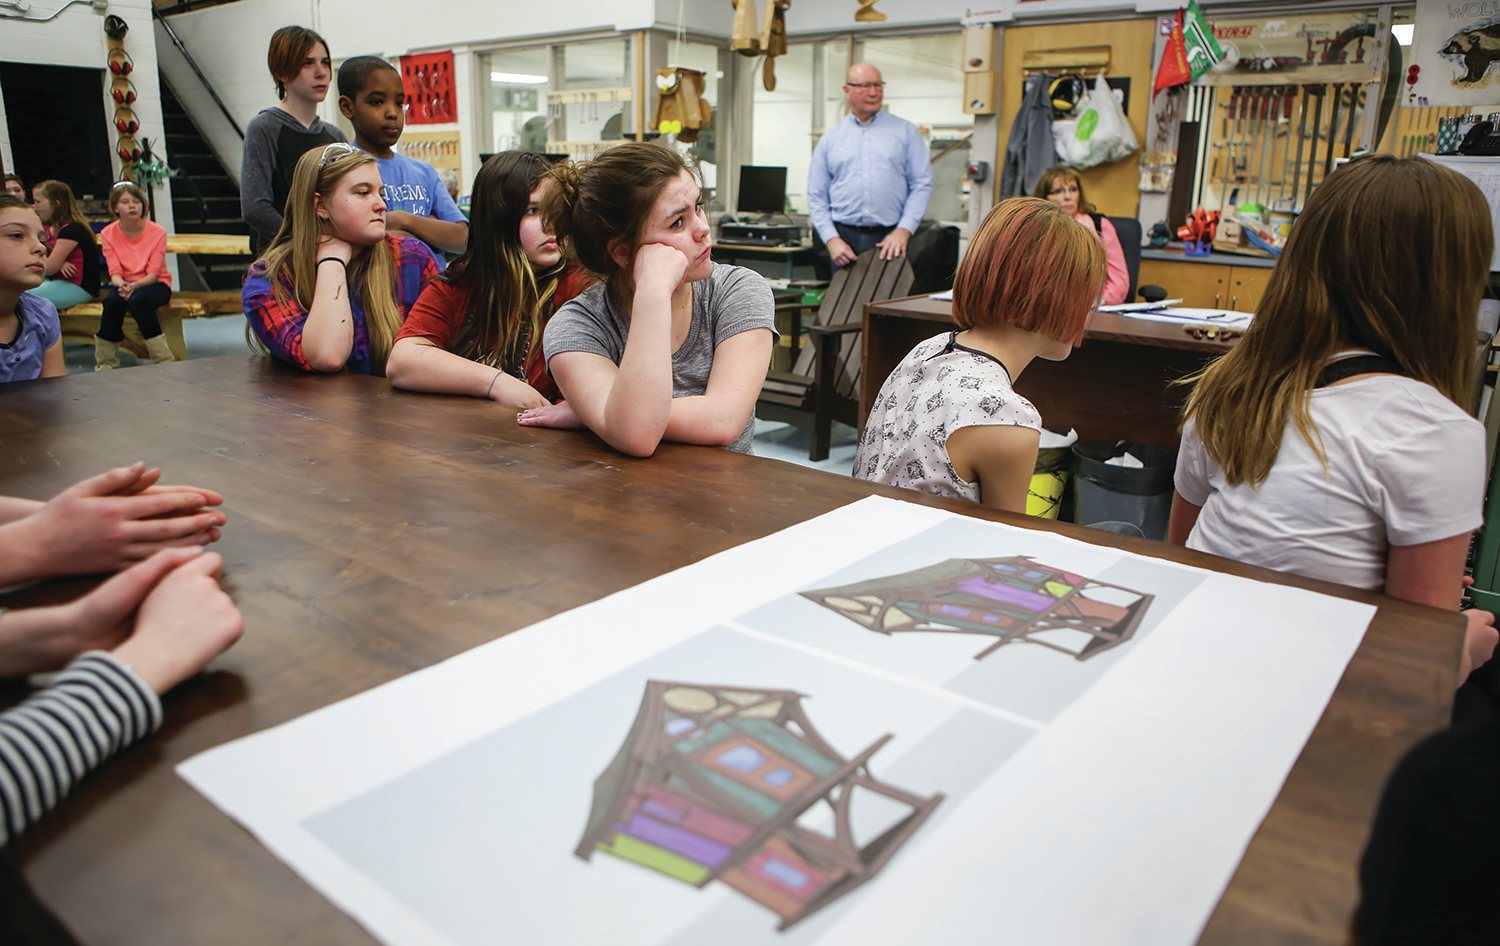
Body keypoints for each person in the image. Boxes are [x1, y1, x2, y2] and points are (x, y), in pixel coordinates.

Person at [1169, 155, 1498, 679]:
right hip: (1304, 705)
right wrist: (1466, 645)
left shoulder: (1229, 386)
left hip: (1186, 657)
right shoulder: (1435, 430)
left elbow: (1182, 553)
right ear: (1448, 290)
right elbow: (1412, 675)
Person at [518, 142, 775, 457]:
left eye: (698, 206)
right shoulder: (577, 326)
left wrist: (600, 416)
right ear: (623, 253)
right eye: (677, 222)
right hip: (618, 497)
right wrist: (653, 290)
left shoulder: (737, 290)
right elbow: (638, 435)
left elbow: (723, 419)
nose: (704, 228)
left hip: (725, 498)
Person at [853, 197, 1104, 511]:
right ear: (1053, 296)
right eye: (1088, 296)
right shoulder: (1008, 419)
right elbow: (1003, 551)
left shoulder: (928, 350)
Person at [387, 151, 592, 408]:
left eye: (555, 209)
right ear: (498, 217)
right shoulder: (464, 282)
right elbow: (402, 361)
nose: (550, 223)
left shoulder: (581, 288)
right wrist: (497, 382)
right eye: (533, 210)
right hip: (476, 438)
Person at [243, 143, 438, 375]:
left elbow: (447, 348)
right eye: (363, 193)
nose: (381, 205)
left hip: (404, 407)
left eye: (381, 193)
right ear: (321, 205)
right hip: (313, 409)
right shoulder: (268, 279)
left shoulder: (413, 258)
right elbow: (328, 355)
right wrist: (331, 260)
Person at [337, 56, 468, 259]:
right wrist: (431, 232)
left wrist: (403, 220)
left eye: (399, 103)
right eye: (377, 102)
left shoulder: (424, 172)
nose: (392, 113)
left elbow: (462, 238)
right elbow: (358, 243)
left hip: (430, 287)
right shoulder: (341, 170)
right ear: (347, 107)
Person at [807, 62, 932, 273]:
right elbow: (816, 195)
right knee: (843, 305)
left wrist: (903, 230)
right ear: (847, 90)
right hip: (843, 242)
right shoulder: (831, 139)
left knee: (884, 304)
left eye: (878, 85)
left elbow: (922, 184)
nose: (873, 92)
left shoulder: (905, 132)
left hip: (891, 240)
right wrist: (831, 240)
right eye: (865, 86)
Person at [241, 25, 345, 251]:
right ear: (282, 72)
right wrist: (310, 242)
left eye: (325, 62)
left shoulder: (335, 136)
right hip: (282, 262)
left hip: (331, 259)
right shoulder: (264, 128)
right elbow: (255, 208)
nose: (321, 72)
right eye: (308, 63)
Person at [98, 181, 174, 369]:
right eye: (125, 202)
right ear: (116, 207)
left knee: (139, 301)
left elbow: (154, 274)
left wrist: (133, 286)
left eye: (136, 201)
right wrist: (122, 284)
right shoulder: (107, 233)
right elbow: (114, 271)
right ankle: (105, 363)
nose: (132, 205)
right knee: (112, 303)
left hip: (154, 284)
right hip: (124, 283)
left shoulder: (157, 232)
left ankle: (163, 360)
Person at [1035, 165, 1129, 306]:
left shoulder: (1100, 226)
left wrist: (1092, 303)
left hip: (1092, 308)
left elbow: (1119, 283)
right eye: (1058, 191)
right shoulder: (1036, 227)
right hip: (1045, 307)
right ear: (1044, 197)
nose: (1068, 197)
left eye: (1073, 189)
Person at [0, 195, 64, 382]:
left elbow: (54, 397)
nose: (40, 248)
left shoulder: (43, 315)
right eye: (17, 235)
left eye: (42, 239)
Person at [28, 178, 101, 309]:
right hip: (56, 280)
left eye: (38, 202)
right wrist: (58, 262)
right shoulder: (48, 227)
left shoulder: (72, 230)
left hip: (79, 286)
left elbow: (49, 268)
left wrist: (53, 260)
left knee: (26, 297)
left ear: (56, 204)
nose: (34, 206)